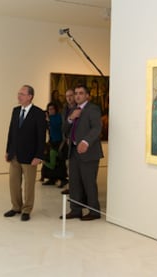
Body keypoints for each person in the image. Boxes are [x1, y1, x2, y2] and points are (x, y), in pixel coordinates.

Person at [61, 84, 103, 221]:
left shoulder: (93, 109)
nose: (77, 96)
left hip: (89, 153)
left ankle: (94, 211)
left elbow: (96, 128)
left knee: (88, 183)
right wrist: (70, 118)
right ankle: (76, 210)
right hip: (73, 152)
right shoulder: (73, 110)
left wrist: (86, 141)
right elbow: (65, 129)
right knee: (74, 183)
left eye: (80, 93)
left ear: (87, 96)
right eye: (76, 93)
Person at [4, 85, 47, 222]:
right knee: (13, 183)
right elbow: (11, 132)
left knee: (29, 185)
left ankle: (26, 209)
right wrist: (8, 150)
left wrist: (39, 155)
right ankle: (16, 207)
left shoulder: (39, 113)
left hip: (30, 156)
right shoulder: (15, 111)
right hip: (14, 154)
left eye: (22, 94)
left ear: (30, 96)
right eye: (18, 93)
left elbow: (41, 136)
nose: (19, 96)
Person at [60, 88, 76, 193]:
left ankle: (74, 188)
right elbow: (64, 125)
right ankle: (71, 187)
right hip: (66, 140)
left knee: (74, 167)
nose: (69, 98)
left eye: (71, 95)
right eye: (67, 96)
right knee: (68, 165)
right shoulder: (65, 109)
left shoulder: (79, 109)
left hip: (75, 141)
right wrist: (65, 138)